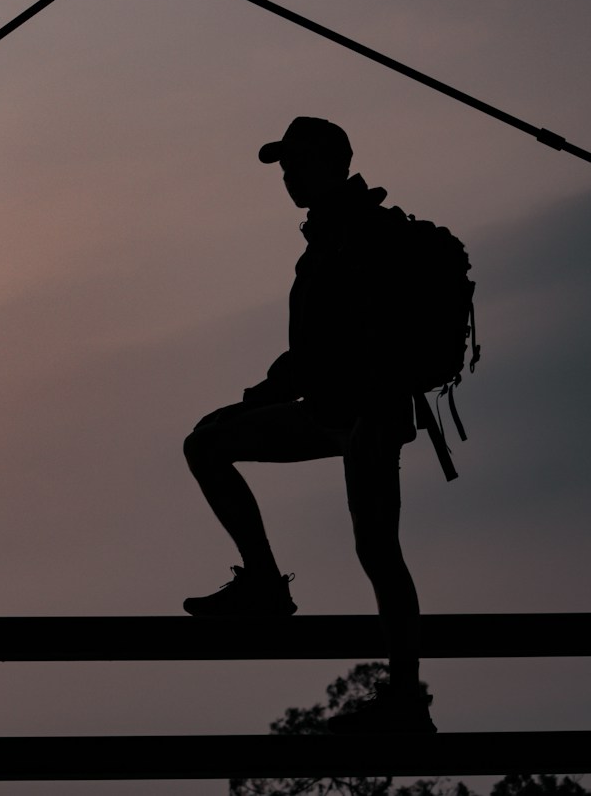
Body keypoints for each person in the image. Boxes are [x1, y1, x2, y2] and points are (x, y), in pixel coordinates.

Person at [181, 116, 435, 734]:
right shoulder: (331, 235)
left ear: (329, 162)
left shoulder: (357, 235)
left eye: (295, 163)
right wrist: (268, 392)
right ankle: (266, 587)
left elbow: (347, 339)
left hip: (363, 415)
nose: (288, 176)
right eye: (284, 166)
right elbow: (316, 347)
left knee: (377, 549)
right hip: (334, 410)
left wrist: (282, 389)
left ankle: (405, 699)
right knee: (208, 444)